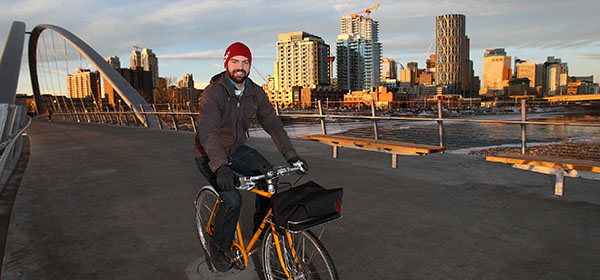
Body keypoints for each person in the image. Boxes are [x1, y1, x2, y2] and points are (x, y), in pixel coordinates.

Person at [194, 42, 308, 272]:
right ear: (226, 64)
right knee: (232, 200)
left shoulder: (255, 92)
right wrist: (220, 166)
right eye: (235, 61)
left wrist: (291, 156)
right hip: (209, 154)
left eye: (245, 62)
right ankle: (219, 249)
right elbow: (208, 133)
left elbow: (274, 125)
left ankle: (263, 227)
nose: (240, 67)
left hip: (236, 150)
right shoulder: (213, 92)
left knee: (270, 177)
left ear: (250, 65)